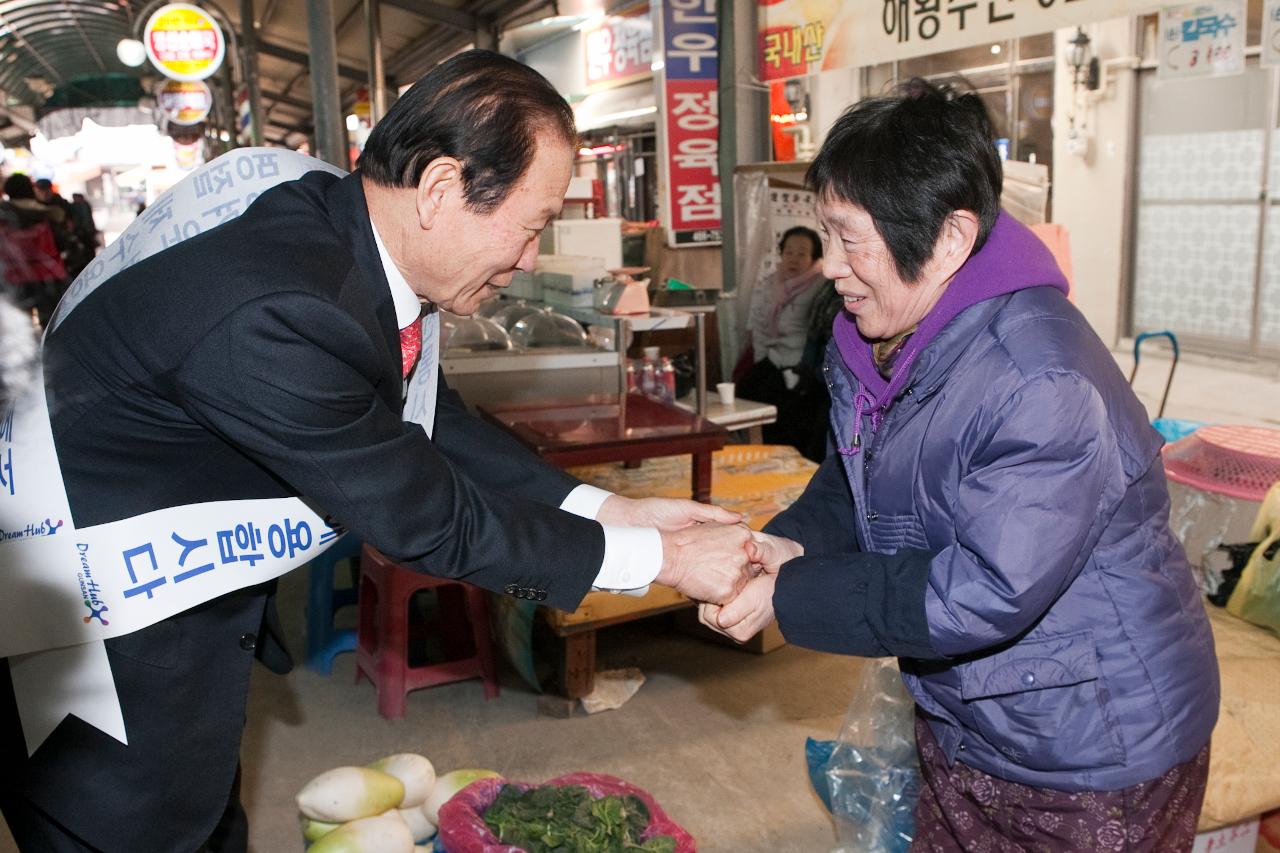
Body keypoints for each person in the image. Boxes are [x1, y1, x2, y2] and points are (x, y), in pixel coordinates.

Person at [0, 50, 755, 852]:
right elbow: (430, 518)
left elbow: (431, 418)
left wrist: (609, 506)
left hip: (175, 613)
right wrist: (660, 559)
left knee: (208, 820)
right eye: (532, 225)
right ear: (438, 189)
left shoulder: (346, 235)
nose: (532, 257)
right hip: (96, 649)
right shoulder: (283, 309)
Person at [702, 79, 1218, 851]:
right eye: (825, 234)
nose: (832, 267)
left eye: (851, 238)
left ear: (948, 239)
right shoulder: (883, 331)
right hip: (970, 712)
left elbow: (981, 588)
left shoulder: (1040, 379)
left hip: (1094, 741)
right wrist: (785, 544)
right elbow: (856, 480)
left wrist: (794, 593)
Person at [736, 226, 830, 457]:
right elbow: (757, 326)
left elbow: (816, 334)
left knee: (792, 410)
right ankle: (764, 456)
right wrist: (761, 359)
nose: (793, 259)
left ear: (815, 257)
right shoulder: (771, 283)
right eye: (788, 252)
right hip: (772, 357)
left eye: (801, 253)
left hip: (800, 363)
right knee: (749, 389)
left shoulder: (822, 286)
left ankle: (790, 459)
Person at [1, 174, 68, 326]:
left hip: (14, 278)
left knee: (20, 326)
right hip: (47, 277)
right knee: (51, 324)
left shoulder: (3, 215)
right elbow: (62, 242)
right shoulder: (48, 213)